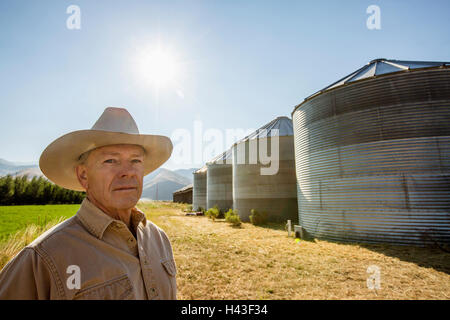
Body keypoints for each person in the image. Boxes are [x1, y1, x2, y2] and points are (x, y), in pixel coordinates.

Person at [0, 107, 177, 300]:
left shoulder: (159, 239)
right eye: (111, 160)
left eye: (135, 160)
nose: (128, 172)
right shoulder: (44, 258)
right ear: (84, 175)